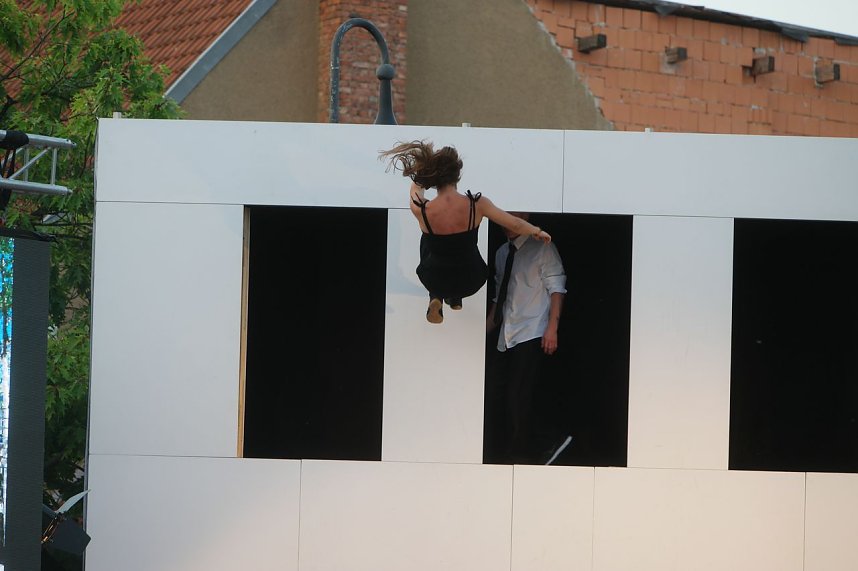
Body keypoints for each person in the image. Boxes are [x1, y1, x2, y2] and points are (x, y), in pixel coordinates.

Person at [380, 140, 551, 324]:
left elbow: (415, 190)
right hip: (470, 278)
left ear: (435, 177)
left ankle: (436, 296)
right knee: (465, 247)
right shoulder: (477, 204)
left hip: (436, 280)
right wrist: (536, 231)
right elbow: (515, 225)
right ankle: (456, 299)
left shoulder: (422, 210)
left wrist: (423, 175)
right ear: (458, 175)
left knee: (427, 240)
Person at [485, 212, 567, 464]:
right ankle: (522, 446)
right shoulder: (502, 253)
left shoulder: (542, 247)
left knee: (518, 394)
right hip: (507, 332)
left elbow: (557, 288)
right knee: (497, 392)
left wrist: (552, 329)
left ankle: (520, 455)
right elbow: (501, 296)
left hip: (532, 330)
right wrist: (484, 331)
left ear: (526, 217)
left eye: (515, 216)